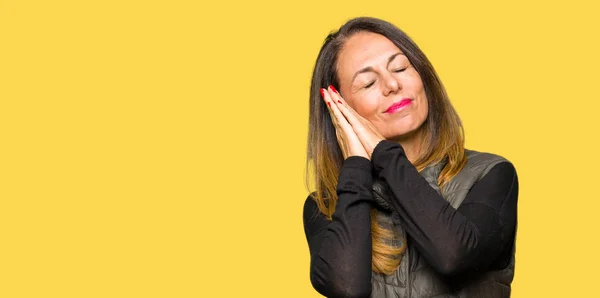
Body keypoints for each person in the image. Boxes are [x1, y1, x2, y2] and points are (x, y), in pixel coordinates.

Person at [302, 17, 519, 298]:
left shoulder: (489, 174)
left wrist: (382, 153)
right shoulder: (324, 207)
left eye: (401, 67)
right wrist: (356, 164)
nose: (392, 84)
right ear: (339, 108)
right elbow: (347, 289)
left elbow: (453, 254)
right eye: (368, 83)